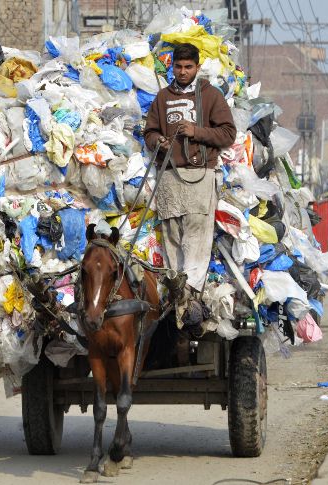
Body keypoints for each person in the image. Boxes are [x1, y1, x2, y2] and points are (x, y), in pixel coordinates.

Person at [143, 43, 237, 329]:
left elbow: (228, 133)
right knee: (172, 232)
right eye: (178, 67)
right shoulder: (163, 97)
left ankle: (191, 294)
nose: (182, 72)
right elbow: (149, 132)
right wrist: (158, 141)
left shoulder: (210, 95)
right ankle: (177, 292)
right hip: (169, 175)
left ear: (197, 67)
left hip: (200, 174)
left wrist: (197, 132)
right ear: (172, 67)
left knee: (196, 233)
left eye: (188, 67)